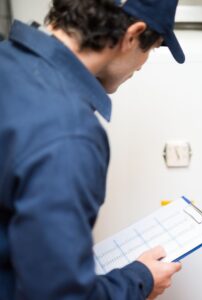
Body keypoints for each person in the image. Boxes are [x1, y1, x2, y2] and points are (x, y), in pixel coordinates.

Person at [0, 0, 185, 299]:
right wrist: (141, 279)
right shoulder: (69, 131)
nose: (143, 63)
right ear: (132, 34)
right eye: (151, 48)